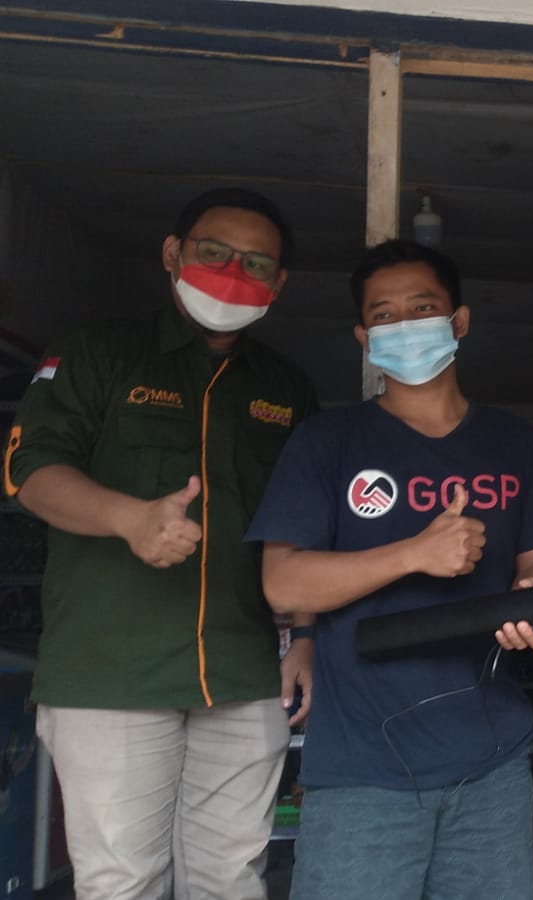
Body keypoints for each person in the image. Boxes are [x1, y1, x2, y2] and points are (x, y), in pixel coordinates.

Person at [3, 188, 317, 899]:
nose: (233, 272)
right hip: (111, 671)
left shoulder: (286, 387)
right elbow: (30, 473)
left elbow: (302, 524)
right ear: (174, 253)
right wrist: (130, 519)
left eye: (256, 263)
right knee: (122, 882)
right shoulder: (97, 353)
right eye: (214, 252)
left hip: (242, 673)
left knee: (231, 879)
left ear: (278, 283)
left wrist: (304, 635)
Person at [244, 240, 533, 900]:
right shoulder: (327, 442)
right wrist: (414, 554)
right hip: (363, 768)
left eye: (422, 308)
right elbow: (282, 582)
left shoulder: (518, 442)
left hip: (492, 764)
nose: (404, 325)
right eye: (384, 315)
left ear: (459, 321)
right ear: (364, 337)